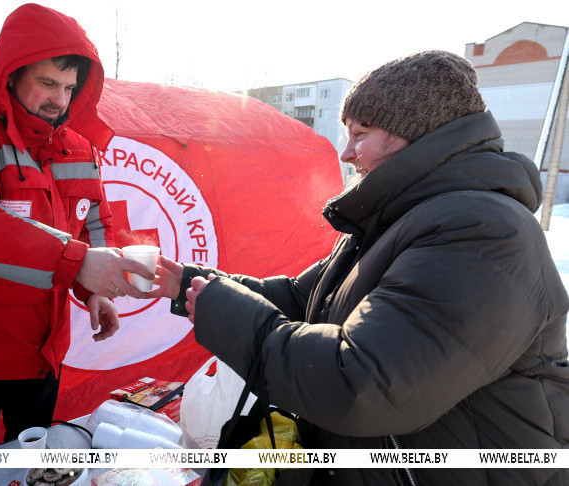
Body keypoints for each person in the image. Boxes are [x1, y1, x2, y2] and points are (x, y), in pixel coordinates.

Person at [145, 51, 569, 485]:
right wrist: (186, 283)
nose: (346, 153)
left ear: (416, 133)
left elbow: (364, 385)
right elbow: (302, 300)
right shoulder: (405, 219)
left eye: (360, 134)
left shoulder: (481, 232)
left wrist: (223, 313)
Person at [0, 3, 152, 448]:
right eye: (47, 83)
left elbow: (95, 219)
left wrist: (94, 288)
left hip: (44, 353)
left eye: (68, 87)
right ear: (11, 73)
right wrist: (78, 264)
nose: (60, 100)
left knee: (32, 466)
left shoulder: (76, 145)